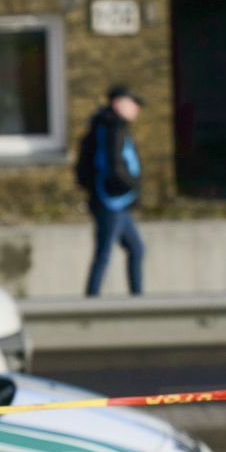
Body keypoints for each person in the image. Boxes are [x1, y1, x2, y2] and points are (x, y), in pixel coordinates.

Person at [77, 85, 145, 296]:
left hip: (118, 202)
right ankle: (92, 301)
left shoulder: (113, 127)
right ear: (117, 103)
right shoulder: (112, 128)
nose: (136, 109)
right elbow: (113, 166)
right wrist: (132, 184)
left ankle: (137, 297)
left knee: (136, 249)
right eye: (132, 103)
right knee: (104, 254)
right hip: (110, 201)